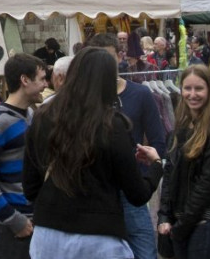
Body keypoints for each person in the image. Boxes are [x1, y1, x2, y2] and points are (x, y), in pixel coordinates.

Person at [23, 47, 163, 259]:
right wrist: (156, 166)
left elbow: (31, 187)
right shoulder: (112, 125)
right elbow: (138, 194)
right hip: (99, 237)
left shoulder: (43, 117)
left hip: (49, 234)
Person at [87, 33, 167, 259]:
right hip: (98, 192)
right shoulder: (85, 99)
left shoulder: (140, 93)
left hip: (132, 190)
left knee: (144, 251)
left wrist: (150, 164)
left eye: (108, 58)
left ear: (119, 56)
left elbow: (159, 140)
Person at [0, 53, 46, 259]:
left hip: (36, 219)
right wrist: (13, 220)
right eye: (41, 79)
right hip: (16, 224)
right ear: (25, 80)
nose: (45, 84)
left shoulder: (31, 116)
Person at [158, 65, 210, 259]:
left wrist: (182, 226)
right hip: (180, 222)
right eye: (187, 88)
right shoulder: (179, 128)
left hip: (204, 223)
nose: (192, 94)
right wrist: (164, 216)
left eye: (198, 88)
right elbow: (169, 173)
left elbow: (208, 183)